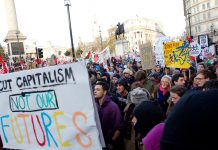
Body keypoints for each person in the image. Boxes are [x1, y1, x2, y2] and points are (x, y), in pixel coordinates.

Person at [94, 82, 124, 150]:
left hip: (110, 144)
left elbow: (119, 127)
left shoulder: (113, 106)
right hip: (98, 143)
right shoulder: (95, 105)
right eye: (95, 89)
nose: (95, 91)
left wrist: (112, 142)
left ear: (104, 92)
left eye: (98, 89)